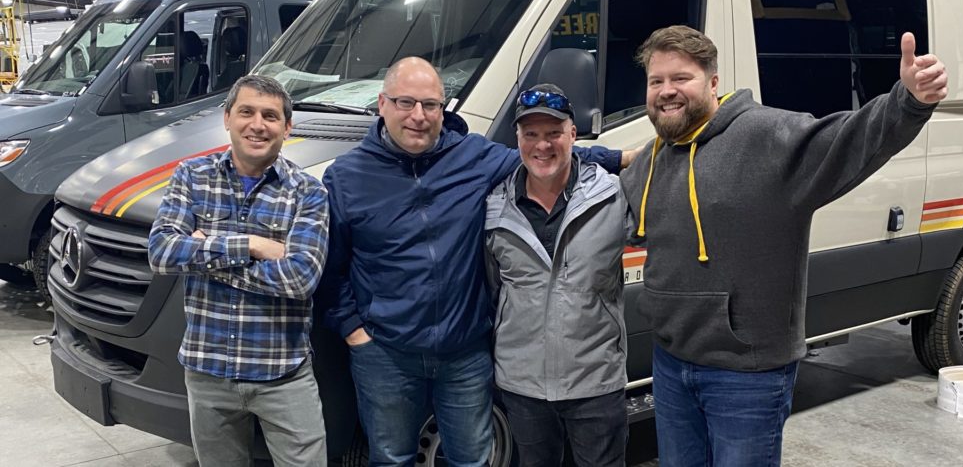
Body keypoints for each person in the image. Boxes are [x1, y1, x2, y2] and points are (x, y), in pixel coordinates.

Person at [620, 26, 947, 467]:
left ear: (713, 83)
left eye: (681, 78)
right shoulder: (653, 159)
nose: (666, 91)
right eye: (656, 81)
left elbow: (848, 140)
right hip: (671, 364)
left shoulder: (768, 137)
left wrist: (908, 102)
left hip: (747, 374)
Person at [317, 57, 627, 466]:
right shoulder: (345, 177)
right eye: (405, 102)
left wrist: (626, 157)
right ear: (382, 104)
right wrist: (354, 330)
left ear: (443, 109)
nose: (418, 116)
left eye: (430, 105)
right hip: (386, 354)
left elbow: (548, 153)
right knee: (391, 459)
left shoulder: (474, 157)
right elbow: (330, 266)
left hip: (464, 350)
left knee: (474, 459)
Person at [149, 75, 329, 467]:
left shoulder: (308, 192)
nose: (258, 124)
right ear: (227, 117)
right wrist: (252, 245)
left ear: (287, 127)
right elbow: (161, 253)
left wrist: (204, 254)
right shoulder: (191, 176)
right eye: (246, 112)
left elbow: (300, 279)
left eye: (270, 115)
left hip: (282, 373)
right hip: (207, 370)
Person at [484, 84, 630, 466]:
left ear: (573, 136)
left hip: (595, 380)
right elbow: (493, 287)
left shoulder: (612, 197)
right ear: (517, 139)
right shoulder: (495, 208)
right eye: (530, 134)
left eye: (553, 134)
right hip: (523, 385)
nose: (542, 146)